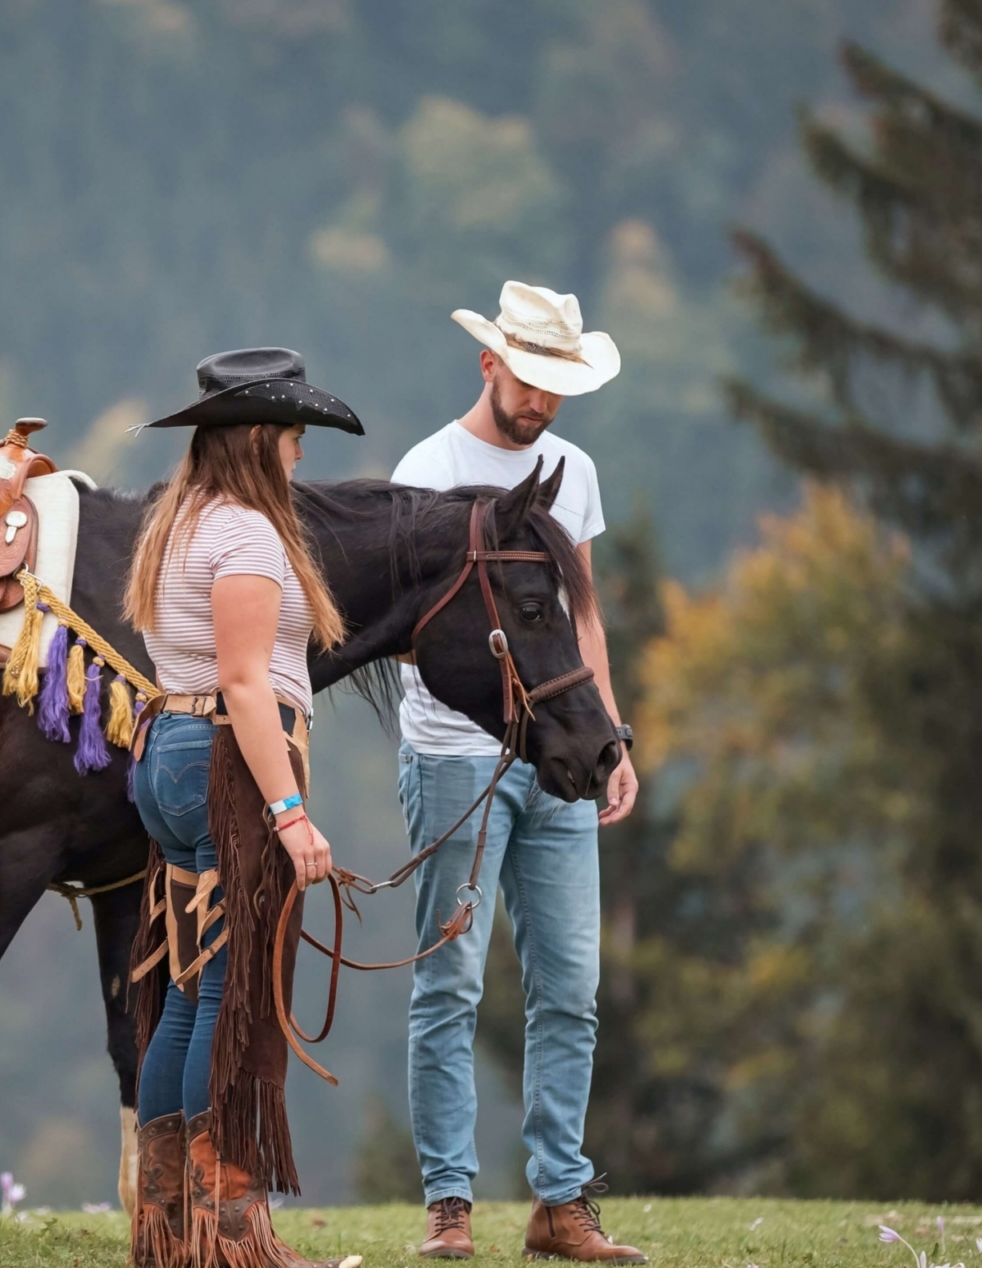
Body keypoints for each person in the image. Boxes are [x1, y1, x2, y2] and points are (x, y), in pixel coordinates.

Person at [393, 282, 644, 1263]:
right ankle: (448, 1205)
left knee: (570, 984)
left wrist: (610, 735)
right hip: (459, 757)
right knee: (449, 980)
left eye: (556, 386)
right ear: (488, 363)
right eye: (528, 380)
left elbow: (581, 618)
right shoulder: (429, 471)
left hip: (562, 758)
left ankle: (558, 1202)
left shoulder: (571, 468)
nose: (540, 403)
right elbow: (409, 634)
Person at [122, 347, 365, 1268]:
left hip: (171, 761)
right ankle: (226, 1238)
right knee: (227, 998)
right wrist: (291, 810)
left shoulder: (179, 520)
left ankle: (169, 1231)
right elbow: (246, 684)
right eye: (296, 439)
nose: (303, 455)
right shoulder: (251, 538)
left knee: (189, 991)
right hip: (225, 763)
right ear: (263, 440)